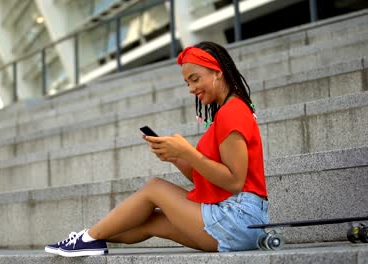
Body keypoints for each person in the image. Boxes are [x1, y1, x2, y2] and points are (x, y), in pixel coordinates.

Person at [44, 41, 269, 256]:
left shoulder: (232, 111)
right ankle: (91, 239)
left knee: (155, 188)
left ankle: (87, 238)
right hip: (237, 221)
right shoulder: (226, 112)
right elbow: (209, 180)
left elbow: (234, 181)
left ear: (217, 72)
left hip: (239, 219)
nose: (191, 89)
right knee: (152, 221)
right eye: (187, 83)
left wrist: (188, 152)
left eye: (195, 79)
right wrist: (176, 157)